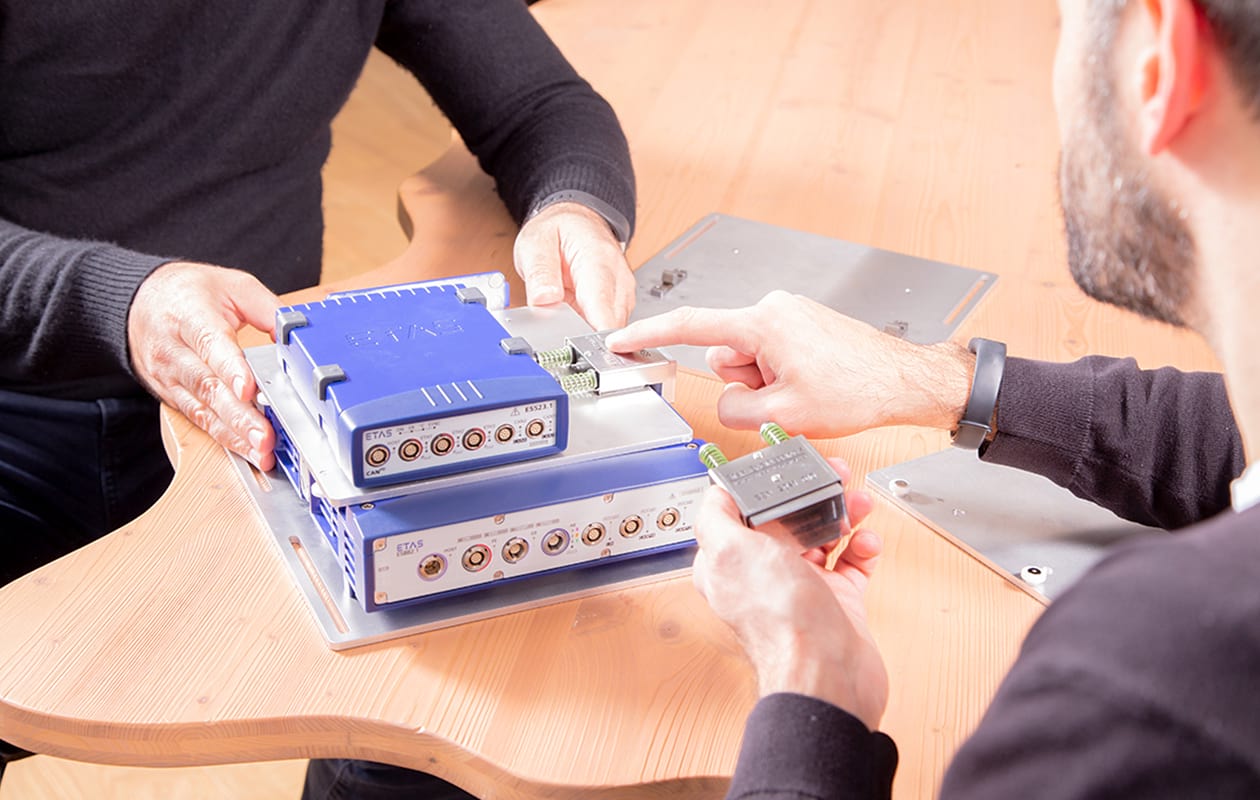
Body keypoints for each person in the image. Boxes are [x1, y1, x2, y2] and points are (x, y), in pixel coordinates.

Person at [606, 0, 1260, 795]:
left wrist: (809, 682)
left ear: (1159, 62)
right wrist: (928, 380)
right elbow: (1227, 441)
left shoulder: (1132, 705)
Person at [0, 0, 636, 797]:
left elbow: (538, 102)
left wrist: (575, 207)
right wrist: (123, 303)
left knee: (434, 723)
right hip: (25, 418)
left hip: (274, 424)